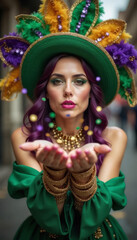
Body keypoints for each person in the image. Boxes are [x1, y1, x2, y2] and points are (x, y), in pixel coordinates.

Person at [0, 0, 137, 239]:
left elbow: (94, 215)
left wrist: (84, 178)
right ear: (45, 89)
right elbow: (47, 215)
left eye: (79, 81)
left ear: (91, 90)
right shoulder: (23, 138)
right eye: (57, 80)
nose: (68, 91)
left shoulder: (114, 137)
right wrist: (54, 173)